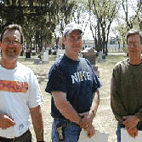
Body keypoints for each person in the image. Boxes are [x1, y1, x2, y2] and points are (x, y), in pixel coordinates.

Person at [45, 23, 102, 142]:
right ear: (64, 40)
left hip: (86, 124)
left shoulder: (86, 63)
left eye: (79, 38)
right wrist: (83, 123)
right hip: (67, 128)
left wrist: (91, 114)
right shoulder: (59, 68)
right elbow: (61, 103)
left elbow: (95, 91)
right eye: (72, 38)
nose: (76, 41)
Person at [0, 24, 45, 142]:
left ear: (21, 46)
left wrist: (40, 140)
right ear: (0, 44)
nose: (10, 45)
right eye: (6, 40)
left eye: (15, 41)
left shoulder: (28, 75)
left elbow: (35, 111)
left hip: (22, 137)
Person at [111, 29, 142, 142]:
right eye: (129, 43)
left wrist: (138, 117)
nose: (132, 47)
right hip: (124, 125)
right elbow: (115, 98)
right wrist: (128, 123)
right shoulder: (118, 69)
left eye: (135, 43)